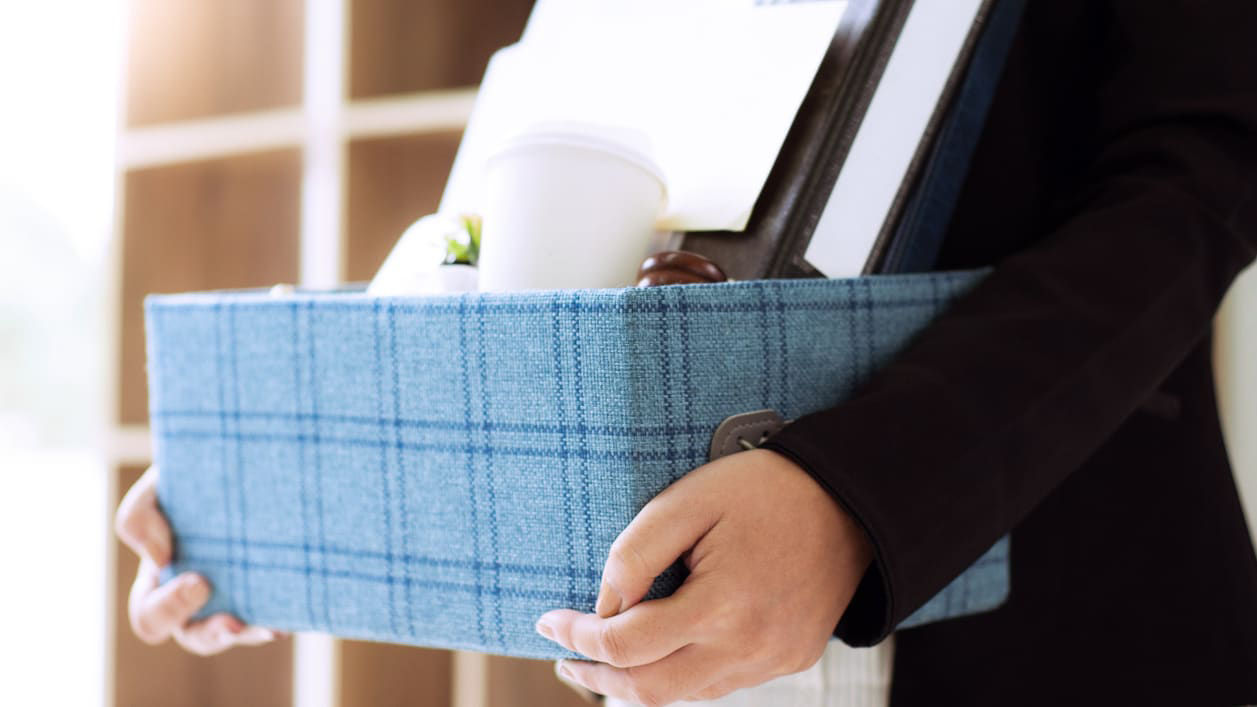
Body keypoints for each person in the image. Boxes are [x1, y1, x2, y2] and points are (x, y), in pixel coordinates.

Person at [117, 1, 1257, 704]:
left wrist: (864, 496)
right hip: (666, 652)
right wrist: (313, 456)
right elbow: (545, 195)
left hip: (1052, 598)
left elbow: (1207, 164)